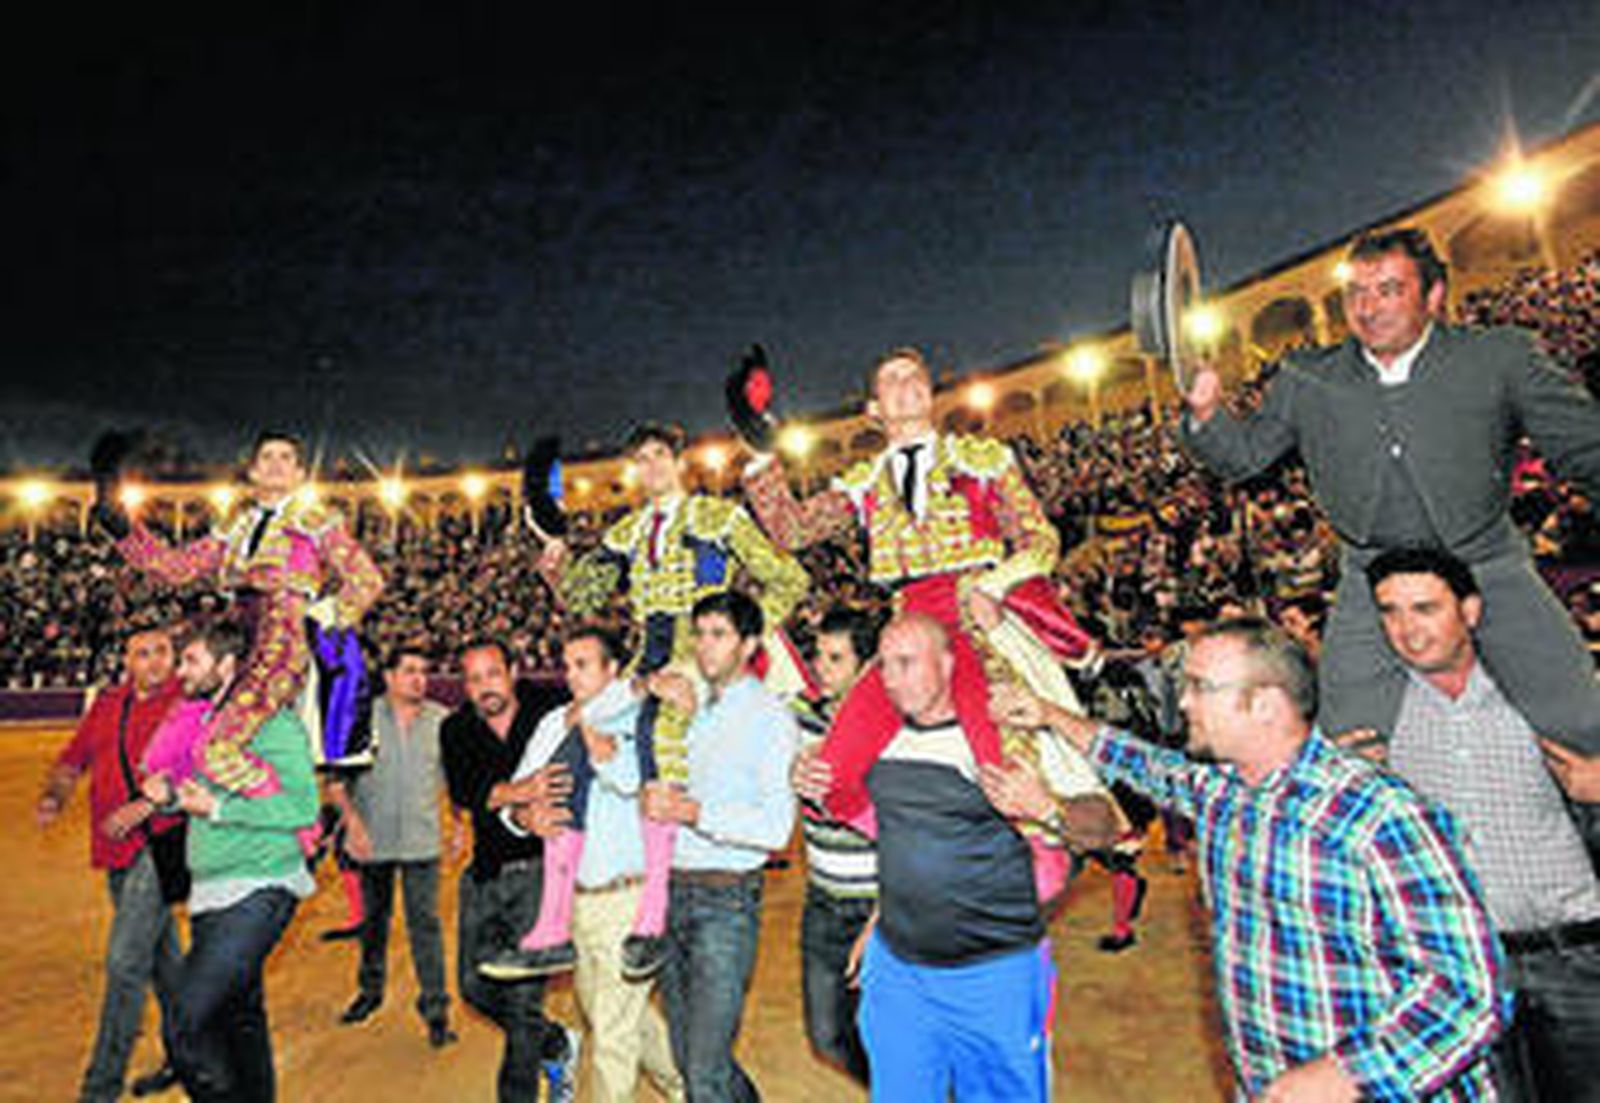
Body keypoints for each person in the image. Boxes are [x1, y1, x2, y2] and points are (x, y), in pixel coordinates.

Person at [998, 617, 1508, 1101]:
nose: (1183, 701)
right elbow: (1141, 762)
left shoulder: (1378, 815)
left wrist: (1345, 1073)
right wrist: (1048, 714)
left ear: (1265, 704)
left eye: (1200, 686)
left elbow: (1469, 995)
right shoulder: (1225, 791)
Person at [1180, 227, 1600, 753]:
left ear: (1433, 295)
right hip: (1369, 574)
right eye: (1356, 292)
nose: (1368, 307)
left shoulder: (1500, 355)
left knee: (1575, 716)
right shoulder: (1307, 376)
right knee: (1348, 738)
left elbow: (1586, 449)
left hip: (1486, 562)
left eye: (1389, 290)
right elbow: (1243, 458)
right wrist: (1205, 414)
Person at [742, 347, 1105, 900]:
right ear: (874, 408)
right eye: (892, 379)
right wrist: (759, 453)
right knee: (829, 773)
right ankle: (913, 851)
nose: (907, 384)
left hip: (973, 618)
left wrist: (998, 582)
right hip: (906, 628)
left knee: (1001, 752)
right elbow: (790, 530)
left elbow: (1042, 539)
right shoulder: (862, 482)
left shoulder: (981, 459)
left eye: (916, 376)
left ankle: (1046, 853)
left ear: (931, 395)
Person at [508, 421, 807, 981]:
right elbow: (581, 595)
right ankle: (553, 924)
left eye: (658, 456)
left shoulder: (720, 518)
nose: (650, 468)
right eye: (640, 460)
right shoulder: (627, 532)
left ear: (679, 461)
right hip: (647, 659)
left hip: (700, 657)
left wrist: (732, 644)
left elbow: (787, 580)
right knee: (574, 741)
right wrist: (552, 543)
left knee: (662, 737)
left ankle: (652, 918)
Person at [807, 612, 1112, 1102]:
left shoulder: (1009, 734)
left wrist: (1045, 807)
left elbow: (1104, 828)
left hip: (994, 973)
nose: (892, 680)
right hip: (900, 974)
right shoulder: (876, 739)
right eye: (883, 666)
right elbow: (901, 840)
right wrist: (883, 920)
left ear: (949, 664)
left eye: (907, 663)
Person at [1363, 546, 1600, 1101]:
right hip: (1457, 972)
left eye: (1425, 608)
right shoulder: (1380, 720)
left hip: (1575, 955)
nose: (1407, 630)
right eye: (1390, 611)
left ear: (1469, 610)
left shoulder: (1545, 697)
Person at [101, 430, 383, 793]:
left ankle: (286, 815)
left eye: (286, 458)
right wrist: (126, 531)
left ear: (300, 474)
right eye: (267, 457)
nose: (277, 464)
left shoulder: (317, 522)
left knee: (217, 748)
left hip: (282, 642)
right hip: (233, 641)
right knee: (184, 741)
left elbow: (366, 580)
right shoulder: (235, 526)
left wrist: (321, 617)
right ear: (253, 473)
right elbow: (178, 568)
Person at [499, 627, 685, 1103]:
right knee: (616, 1017)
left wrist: (594, 735)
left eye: (584, 665)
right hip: (575, 902)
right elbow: (516, 796)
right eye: (567, 665)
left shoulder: (646, 720)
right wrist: (526, 815)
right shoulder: (551, 725)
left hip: (629, 896)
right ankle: (685, 1086)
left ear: (612, 671)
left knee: (612, 1038)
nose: (571, 675)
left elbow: (636, 785)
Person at [144, 620, 319, 1103]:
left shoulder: (273, 723)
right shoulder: (209, 725)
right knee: (239, 1018)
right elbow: (210, 799)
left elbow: (302, 807)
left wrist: (215, 808)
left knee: (185, 1025)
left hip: (258, 886)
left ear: (225, 666)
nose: (180, 671)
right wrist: (175, 798)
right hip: (214, 890)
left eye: (191, 661)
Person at [644, 591, 798, 1102]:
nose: (705, 648)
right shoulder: (687, 705)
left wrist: (693, 813)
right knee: (694, 1061)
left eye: (719, 635)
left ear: (749, 643)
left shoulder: (771, 717)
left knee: (704, 1073)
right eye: (700, 634)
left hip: (726, 902)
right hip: (670, 892)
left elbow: (777, 829)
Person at [37, 627, 185, 1102]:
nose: (155, 661)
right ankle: (190, 1055)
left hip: (160, 846)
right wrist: (53, 796)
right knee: (165, 965)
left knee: (125, 962)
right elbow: (72, 760)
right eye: (143, 654)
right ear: (128, 663)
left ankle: (100, 1088)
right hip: (113, 850)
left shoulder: (189, 703)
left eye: (162, 652)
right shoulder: (108, 704)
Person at [440, 639, 580, 1102]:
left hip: (544, 873)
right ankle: (555, 1042)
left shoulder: (551, 707)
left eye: (493, 674)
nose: (485, 687)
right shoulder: (456, 729)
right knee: (473, 988)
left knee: (521, 1005)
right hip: (485, 872)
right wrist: (522, 789)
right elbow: (466, 793)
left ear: (514, 670)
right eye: (473, 679)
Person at [328, 642, 456, 1048]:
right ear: (389, 677)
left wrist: (459, 823)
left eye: (423, 670)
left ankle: (436, 1010)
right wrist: (351, 824)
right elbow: (335, 782)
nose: (419, 678)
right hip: (373, 839)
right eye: (409, 670)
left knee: (426, 926)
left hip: (422, 840)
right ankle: (370, 991)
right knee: (374, 923)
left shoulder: (442, 721)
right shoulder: (362, 719)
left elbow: (454, 778)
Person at [790, 606, 879, 1085]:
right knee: (827, 1036)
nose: (820, 668)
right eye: (818, 656)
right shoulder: (802, 713)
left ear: (865, 666)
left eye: (835, 658)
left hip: (881, 903)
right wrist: (791, 772)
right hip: (823, 898)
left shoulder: (892, 724)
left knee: (888, 1032)